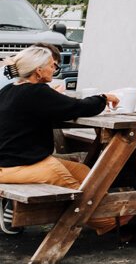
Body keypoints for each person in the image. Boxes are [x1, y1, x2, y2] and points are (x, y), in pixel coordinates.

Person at [0, 46, 123, 236]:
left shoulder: (9, 90)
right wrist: (103, 97)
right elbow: (78, 107)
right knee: (78, 192)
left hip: (13, 162)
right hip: (16, 165)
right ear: (39, 71)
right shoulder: (37, 92)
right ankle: (110, 222)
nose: (54, 70)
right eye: (51, 66)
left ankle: (114, 211)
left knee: (84, 172)